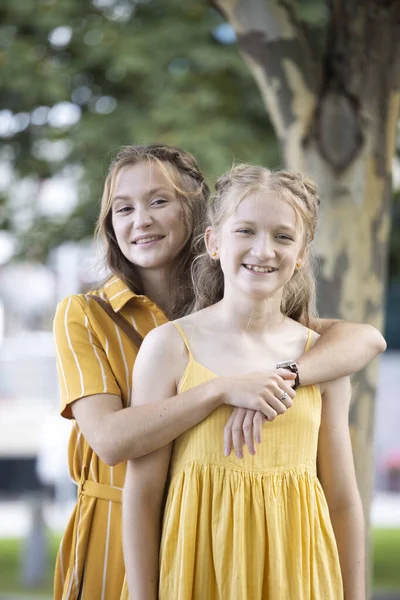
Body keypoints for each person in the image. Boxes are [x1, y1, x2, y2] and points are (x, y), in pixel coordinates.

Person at [53, 145, 382, 600]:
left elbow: (365, 340)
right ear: (215, 241)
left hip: (297, 571)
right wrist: (224, 389)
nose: (141, 219)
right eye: (123, 208)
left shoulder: (305, 347)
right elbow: (114, 447)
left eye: (159, 201)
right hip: (148, 543)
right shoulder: (128, 329)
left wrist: (283, 376)